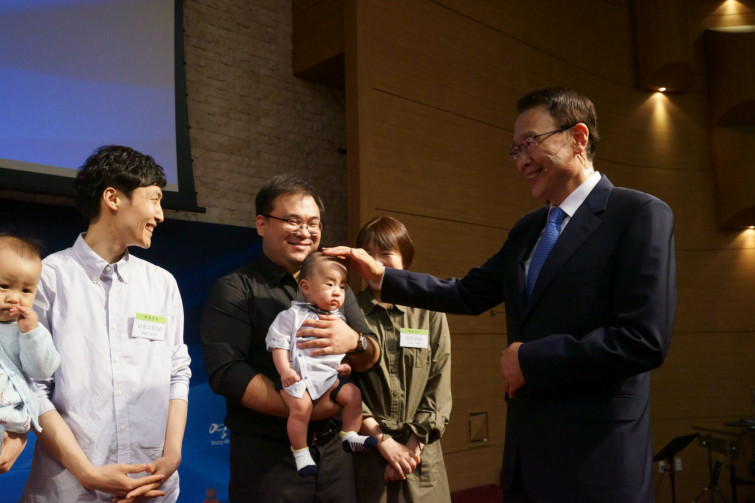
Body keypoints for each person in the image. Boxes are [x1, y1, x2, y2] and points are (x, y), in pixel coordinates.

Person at [325, 87, 677, 503]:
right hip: (527, 461)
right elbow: (468, 293)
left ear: (578, 137)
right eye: (515, 150)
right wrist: (384, 277)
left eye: (530, 142)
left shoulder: (637, 215)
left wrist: (529, 359)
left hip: (599, 462)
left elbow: (642, 340)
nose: (521, 160)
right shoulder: (529, 230)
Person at [21, 145, 191, 502]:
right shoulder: (49, 277)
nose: (160, 215)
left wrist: (172, 456)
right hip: (71, 489)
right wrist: (88, 472)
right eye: (154, 199)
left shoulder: (162, 284)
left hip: (152, 486)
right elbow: (32, 387)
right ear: (113, 198)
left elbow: (177, 372)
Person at [200, 174, 381, 502]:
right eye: (293, 221)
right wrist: (307, 409)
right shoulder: (235, 289)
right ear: (261, 224)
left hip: (336, 456)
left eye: (313, 223)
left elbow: (371, 353)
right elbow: (227, 372)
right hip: (269, 461)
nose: (305, 232)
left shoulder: (335, 288)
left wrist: (355, 342)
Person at [352, 217, 452, 503]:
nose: (376, 262)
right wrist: (383, 443)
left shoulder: (429, 310)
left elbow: (439, 382)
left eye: (386, 253)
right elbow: (343, 384)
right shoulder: (348, 311)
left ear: (404, 259)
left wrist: (410, 451)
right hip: (369, 455)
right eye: (368, 253)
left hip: (421, 455)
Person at [266, 252, 377, 477]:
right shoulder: (291, 316)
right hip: (298, 376)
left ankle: (350, 435)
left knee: (353, 395)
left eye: (342, 286)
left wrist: (345, 364)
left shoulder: (339, 319)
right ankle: (300, 451)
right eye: (329, 284)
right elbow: (279, 345)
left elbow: (340, 349)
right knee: (301, 408)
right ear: (306, 287)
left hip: (329, 377)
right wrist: (285, 370)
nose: (337, 291)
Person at [0, 235, 60, 456]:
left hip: (9, 420)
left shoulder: (29, 330)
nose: (14, 298)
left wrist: (31, 333)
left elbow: (42, 370)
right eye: (4, 286)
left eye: (26, 291)